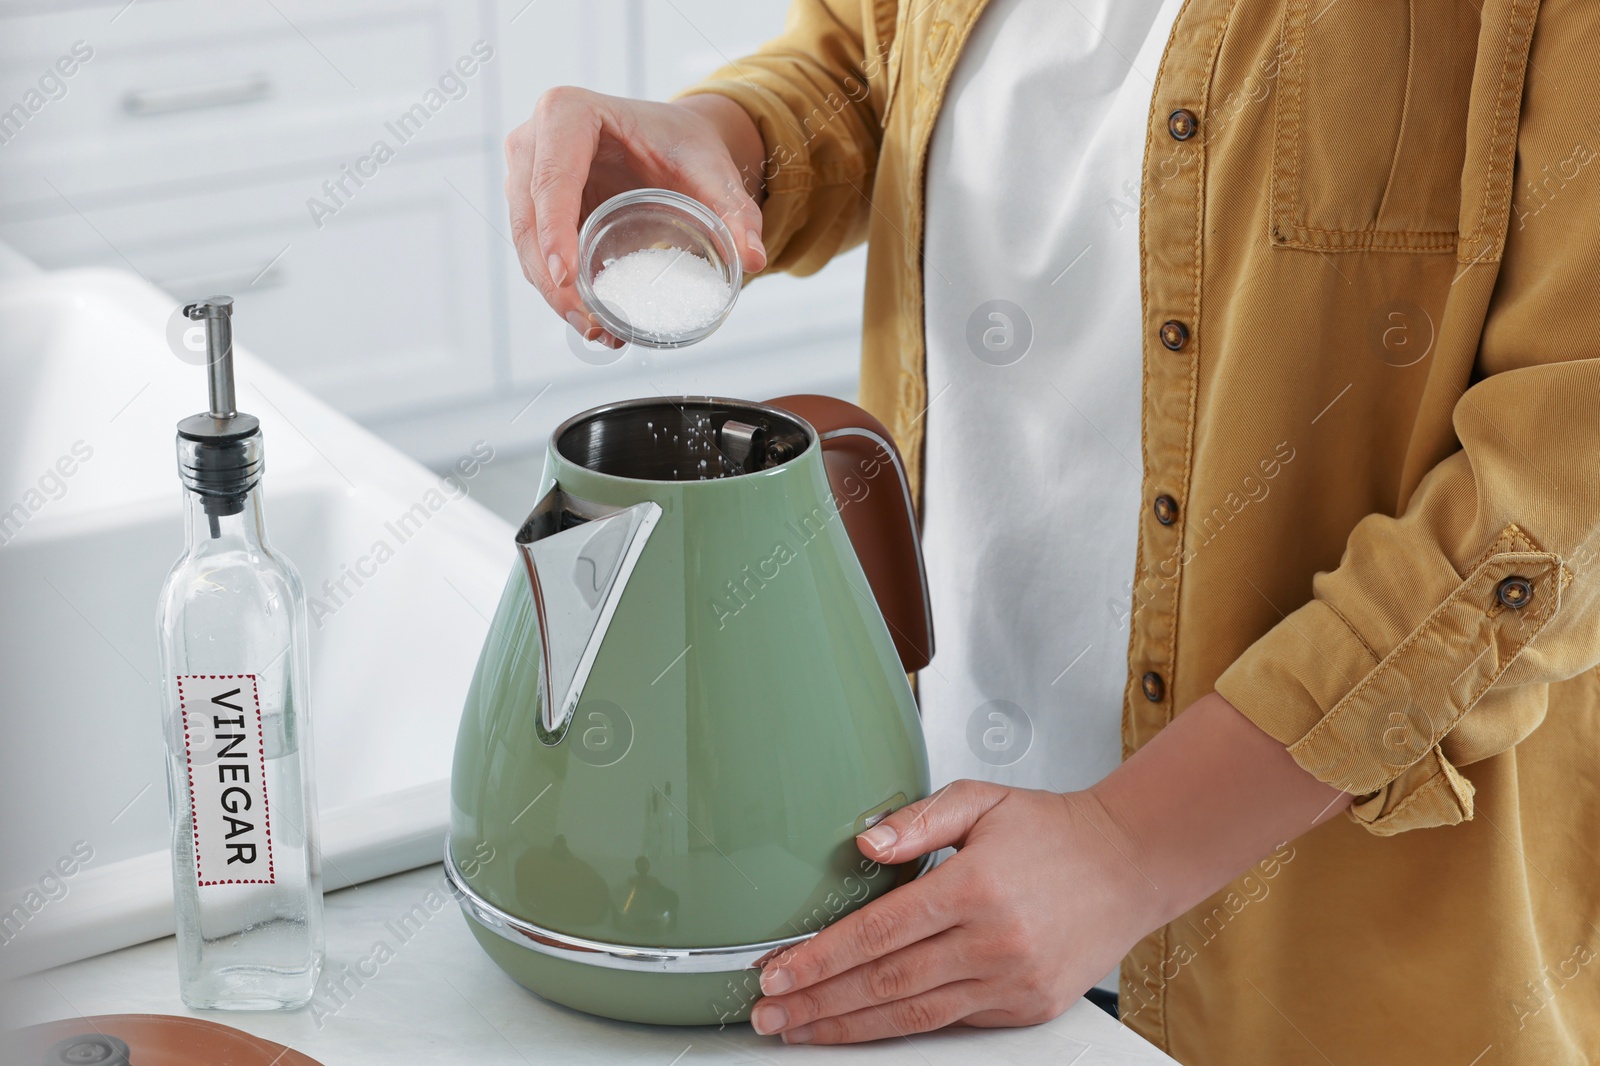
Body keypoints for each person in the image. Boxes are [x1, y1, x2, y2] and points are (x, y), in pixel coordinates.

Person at [503, 1, 1600, 1062]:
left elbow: (1557, 491)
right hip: (939, 873)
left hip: (1321, 942)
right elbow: (872, 50)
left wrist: (1134, 848)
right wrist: (724, 141)